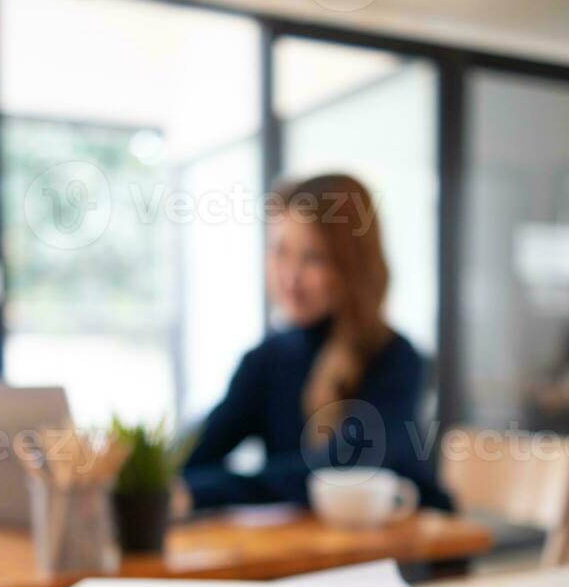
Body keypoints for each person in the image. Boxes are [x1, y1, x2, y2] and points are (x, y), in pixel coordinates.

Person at [176, 173, 451, 515]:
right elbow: (197, 453)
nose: (291, 276)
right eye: (280, 252)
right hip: (315, 548)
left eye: (314, 257)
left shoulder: (395, 359)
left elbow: (339, 472)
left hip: (408, 547)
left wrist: (198, 493)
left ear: (352, 266)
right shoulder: (267, 358)